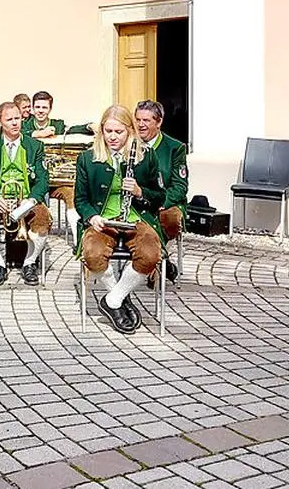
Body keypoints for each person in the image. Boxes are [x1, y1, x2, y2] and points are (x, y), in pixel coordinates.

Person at [75, 105, 166, 335]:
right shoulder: (87, 158)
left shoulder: (146, 156)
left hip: (137, 217)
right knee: (93, 253)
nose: (113, 137)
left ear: (130, 131)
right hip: (102, 218)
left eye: (119, 132)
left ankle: (112, 300)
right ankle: (119, 296)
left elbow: (159, 197)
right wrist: (92, 216)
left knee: (150, 254)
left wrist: (139, 192)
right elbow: (80, 199)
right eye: (108, 131)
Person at [0, 101, 52, 286]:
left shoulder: (35, 146)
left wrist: (31, 199)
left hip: (26, 198)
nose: (15, 123)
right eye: (9, 119)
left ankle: (29, 262)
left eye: (17, 118)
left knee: (43, 218)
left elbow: (43, 180)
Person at [134, 100, 188, 241]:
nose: (140, 125)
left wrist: (161, 202)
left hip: (165, 202)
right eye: (138, 120)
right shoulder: (129, 144)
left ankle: (160, 250)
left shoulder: (174, 148)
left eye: (146, 120)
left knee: (170, 219)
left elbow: (179, 186)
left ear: (158, 122)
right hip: (138, 200)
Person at [23, 91, 95, 138]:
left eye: (44, 107)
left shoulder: (58, 125)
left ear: (50, 109)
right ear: (33, 108)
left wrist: (89, 126)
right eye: (37, 107)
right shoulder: (24, 124)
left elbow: (74, 129)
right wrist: (38, 133)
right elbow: (19, 134)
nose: (40, 111)